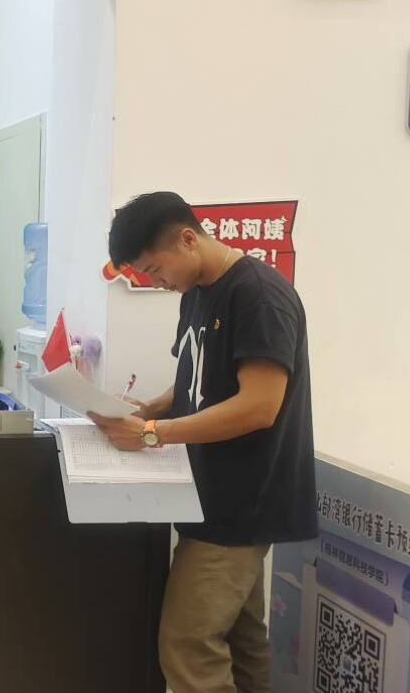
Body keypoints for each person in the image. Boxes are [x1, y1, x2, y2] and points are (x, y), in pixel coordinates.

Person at [90, 191, 315, 693]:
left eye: (154, 268)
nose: (156, 282)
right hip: (208, 495)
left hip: (243, 502)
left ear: (188, 239)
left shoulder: (258, 295)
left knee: (187, 645)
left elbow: (259, 405)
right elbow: (196, 377)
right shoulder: (196, 292)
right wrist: (150, 409)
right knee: (240, 641)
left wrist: (153, 434)